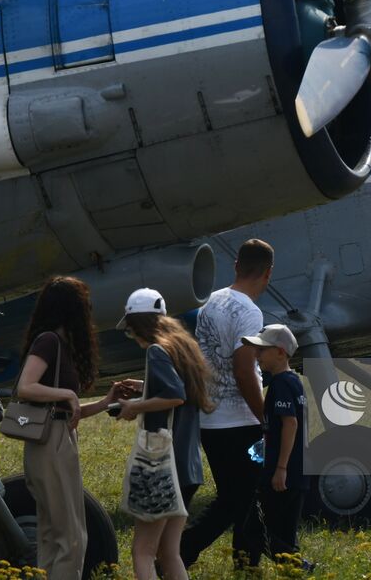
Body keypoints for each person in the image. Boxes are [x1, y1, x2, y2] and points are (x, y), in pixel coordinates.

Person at [180, 238, 274, 569]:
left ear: (236, 265)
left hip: (211, 419)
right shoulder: (250, 312)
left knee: (245, 496)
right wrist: (265, 416)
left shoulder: (211, 303)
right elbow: (245, 369)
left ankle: (247, 562)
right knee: (236, 499)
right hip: (241, 421)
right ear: (268, 273)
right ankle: (181, 552)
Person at [15, 275, 116, 580]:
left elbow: (65, 413)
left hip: (56, 437)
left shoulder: (57, 344)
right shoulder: (49, 342)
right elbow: (25, 387)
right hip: (52, 443)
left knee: (51, 534)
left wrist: (107, 401)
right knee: (71, 537)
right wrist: (67, 394)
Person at [115, 287, 212, 580]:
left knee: (142, 552)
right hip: (188, 468)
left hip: (162, 466)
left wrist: (134, 406)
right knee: (169, 553)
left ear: (139, 325)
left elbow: (174, 395)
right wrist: (144, 385)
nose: (133, 337)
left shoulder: (157, 351)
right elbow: (179, 392)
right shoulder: (181, 347)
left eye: (131, 331)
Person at [240, 324, 311, 569]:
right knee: (285, 535)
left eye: (262, 350)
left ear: (280, 352)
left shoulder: (280, 384)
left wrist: (280, 468)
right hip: (299, 473)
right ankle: (293, 568)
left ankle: (302, 567)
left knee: (254, 531)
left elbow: (289, 424)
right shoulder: (294, 382)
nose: (257, 356)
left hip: (282, 473)